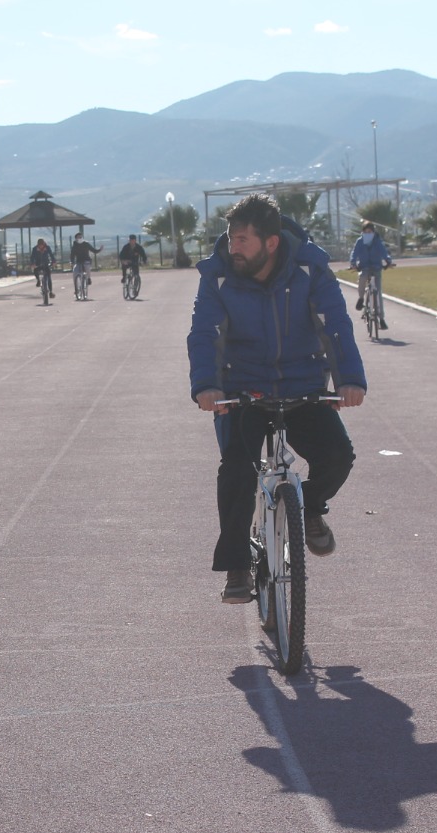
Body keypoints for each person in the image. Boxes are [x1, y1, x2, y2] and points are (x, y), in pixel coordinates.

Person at [187, 193, 367, 605]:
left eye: (243, 240)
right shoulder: (217, 276)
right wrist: (205, 387)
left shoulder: (309, 268)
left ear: (270, 242)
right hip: (240, 390)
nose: (233, 247)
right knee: (236, 468)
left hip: (301, 385)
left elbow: (334, 325)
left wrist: (349, 380)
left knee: (338, 455)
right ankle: (236, 567)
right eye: (231, 238)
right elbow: (204, 334)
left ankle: (311, 509)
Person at [349, 221, 393, 329]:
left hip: (376, 268)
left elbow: (384, 252)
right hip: (364, 267)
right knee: (362, 279)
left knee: (378, 293)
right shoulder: (359, 242)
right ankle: (361, 299)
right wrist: (353, 263)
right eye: (365, 232)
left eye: (370, 232)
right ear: (362, 232)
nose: (368, 234)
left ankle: (381, 319)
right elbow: (354, 254)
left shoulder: (377, 241)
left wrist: (388, 261)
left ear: (373, 232)